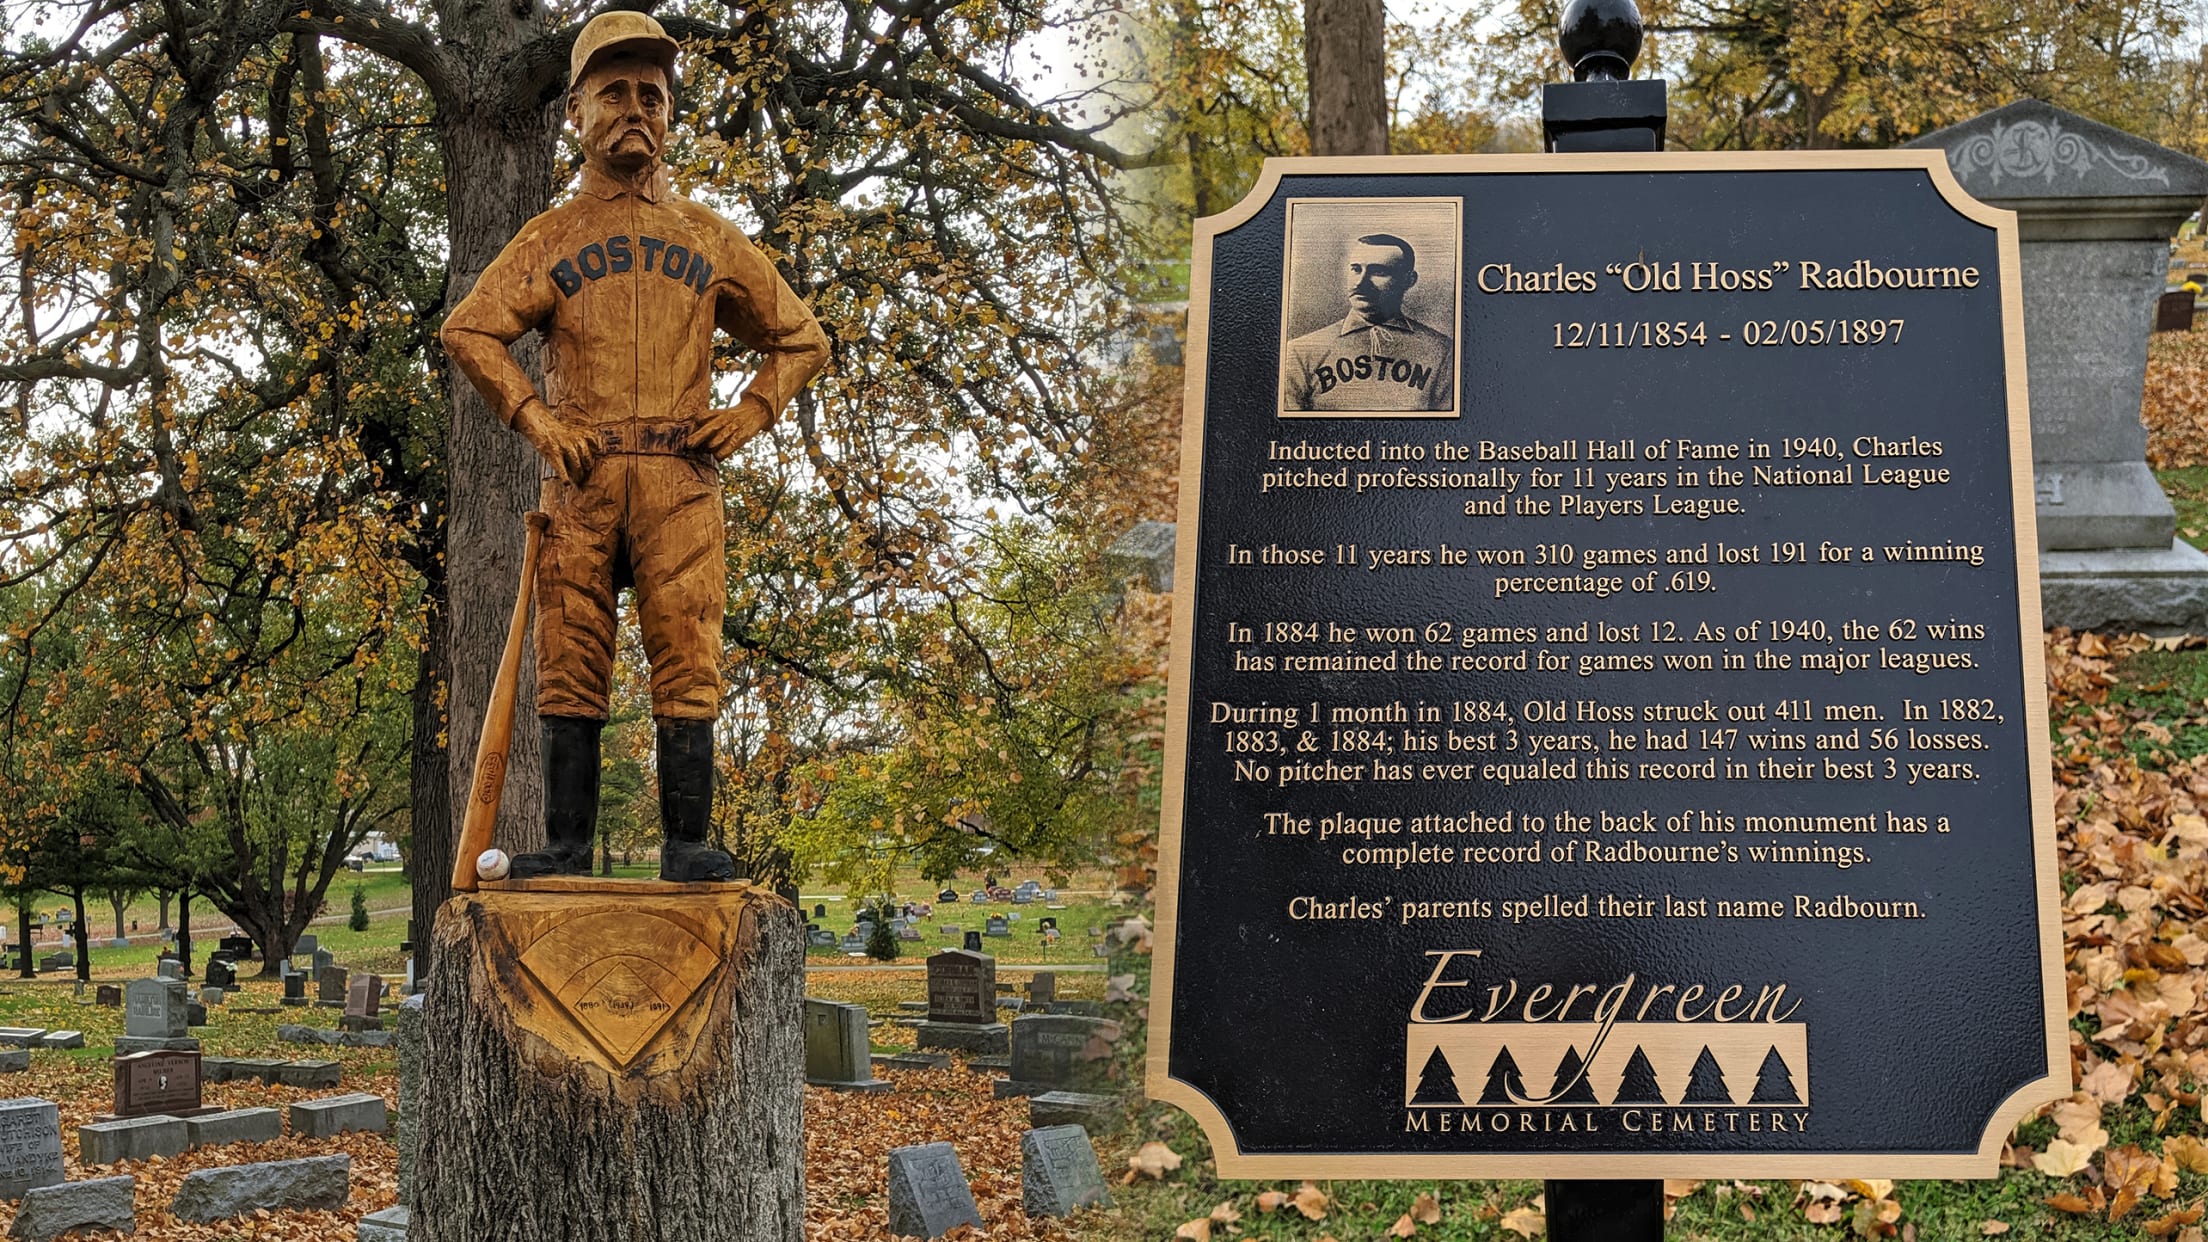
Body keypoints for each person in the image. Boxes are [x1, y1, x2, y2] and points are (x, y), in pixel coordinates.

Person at [441, 11, 829, 882]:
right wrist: (537, 420)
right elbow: (469, 330)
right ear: (575, 113)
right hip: (578, 478)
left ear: (669, 116)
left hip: (681, 481)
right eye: (613, 92)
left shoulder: (708, 235)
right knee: (571, 657)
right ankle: (569, 849)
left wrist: (754, 409)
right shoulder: (552, 236)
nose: (635, 110)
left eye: (651, 95)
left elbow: (803, 339)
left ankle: (688, 844)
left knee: (688, 652)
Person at [1280, 233, 1453, 413]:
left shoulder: (1442, 351)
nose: (1361, 283)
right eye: (1356, 269)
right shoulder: (1300, 351)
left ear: (1409, 280)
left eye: (1378, 272)